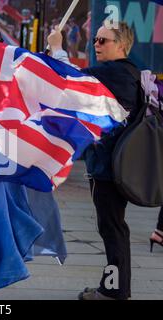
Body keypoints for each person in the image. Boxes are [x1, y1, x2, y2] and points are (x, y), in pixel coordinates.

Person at [48, 21, 139, 300]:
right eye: (95, 39)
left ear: (121, 45)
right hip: (112, 165)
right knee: (113, 228)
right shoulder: (125, 72)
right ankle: (113, 287)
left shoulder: (116, 73)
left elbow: (72, 80)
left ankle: (113, 292)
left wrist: (57, 48)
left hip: (109, 168)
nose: (96, 45)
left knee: (112, 229)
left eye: (103, 41)